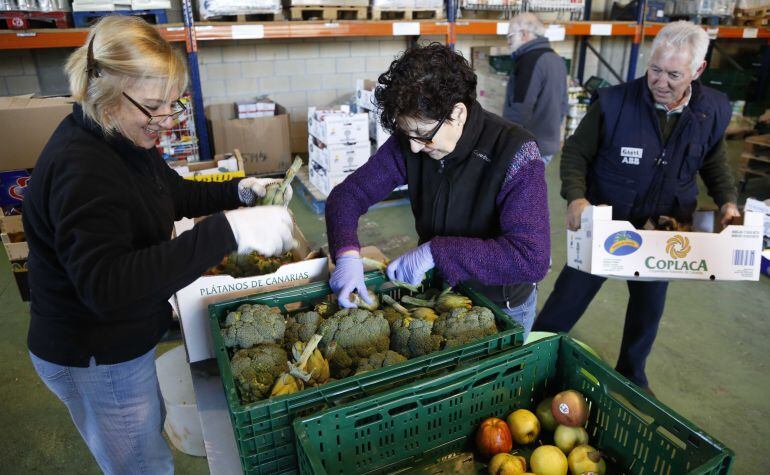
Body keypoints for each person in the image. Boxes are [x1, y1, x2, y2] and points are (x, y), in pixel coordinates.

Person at [23, 16, 294, 474]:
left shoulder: (120, 135)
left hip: (125, 335)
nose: (166, 121)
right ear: (104, 91)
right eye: (154, 107)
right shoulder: (82, 169)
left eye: (173, 104)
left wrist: (237, 191)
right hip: (95, 352)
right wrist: (227, 231)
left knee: (149, 438)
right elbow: (106, 287)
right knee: (142, 464)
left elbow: (168, 191)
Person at [534, 21, 740, 393]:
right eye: (655, 69)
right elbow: (576, 154)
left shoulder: (711, 111)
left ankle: (632, 374)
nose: (661, 82)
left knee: (648, 306)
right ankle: (534, 356)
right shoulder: (614, 103)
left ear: (698, 70)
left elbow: (714, 162)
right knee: (570, 294)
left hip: (663, 225)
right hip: (606, 218)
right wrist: (576, 196)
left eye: (674, 74)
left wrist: (727, 201)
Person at [325, 43, 550, 335]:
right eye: (408, 134)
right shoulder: (411, 142)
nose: (415, 147)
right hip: (435, 297)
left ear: (457, 113)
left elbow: (530, 259)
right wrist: (346, 254)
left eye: (424, 135)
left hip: (500, 308)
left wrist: (436, 252)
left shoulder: (515, 153)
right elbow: (347, 196)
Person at [503, 12, 568, 166]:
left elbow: (520, 109)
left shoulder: (529, 61)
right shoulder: (556, 59)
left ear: (524, 34)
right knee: (533, 188)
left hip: (528, 147)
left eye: (510, 36)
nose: (508, 42)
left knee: (517, 190)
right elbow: (564, 105)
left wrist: (505, 143)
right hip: (548, 144)